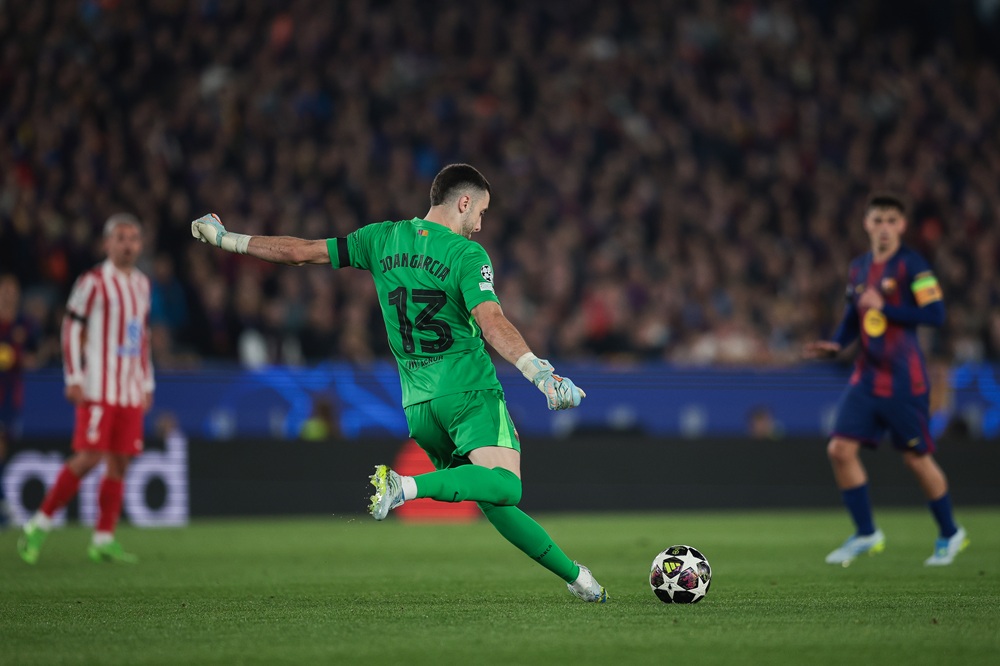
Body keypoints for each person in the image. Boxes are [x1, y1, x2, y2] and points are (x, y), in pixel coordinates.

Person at [191, 163, 607, 602]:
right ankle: (406, 486)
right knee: (507, 486)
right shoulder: (467, 256)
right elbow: (491, 320)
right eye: (481, 212)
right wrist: (539, 373)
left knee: (490, 499)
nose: (481, 225)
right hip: (467, 391)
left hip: (418, 405)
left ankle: (578, 579)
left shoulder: (380, 238)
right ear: (463, 202)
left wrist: (225, 239)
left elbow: (300, 251)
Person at [804, 193, 967, 566]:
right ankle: (866, 533)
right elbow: (853, 316)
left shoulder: (914, 265)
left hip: (903, 381)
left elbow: (937, 314)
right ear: (866, 224)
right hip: (866, 377)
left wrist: (887, 308)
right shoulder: (859, 268)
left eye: (892, 220)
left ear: (902, 226)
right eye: (877, 220)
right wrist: (837, 343)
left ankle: (951, 532)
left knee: (916, 459)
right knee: (839, 450)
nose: (884, 227)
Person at [18, 214, 155, 564]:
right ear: (107, 244)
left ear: (140, 245)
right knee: (90, 456)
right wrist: (74, 377)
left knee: (121, 462)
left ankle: (103, 538)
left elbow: (142, 337)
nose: (127, 245)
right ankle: (38, 524)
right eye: (120, 238)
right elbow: (69, 329)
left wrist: (147, 381)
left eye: (133, 238)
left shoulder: (141, 284)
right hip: (97, 385)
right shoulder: (92, 281)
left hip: (128, 388)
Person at [0, 274, 38, 528]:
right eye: (5, 289)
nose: (9, 294)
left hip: (10, 398)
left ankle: (4, 508)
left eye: (13, 290)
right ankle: (5, 508)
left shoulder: (25, 324)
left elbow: (34, 357)